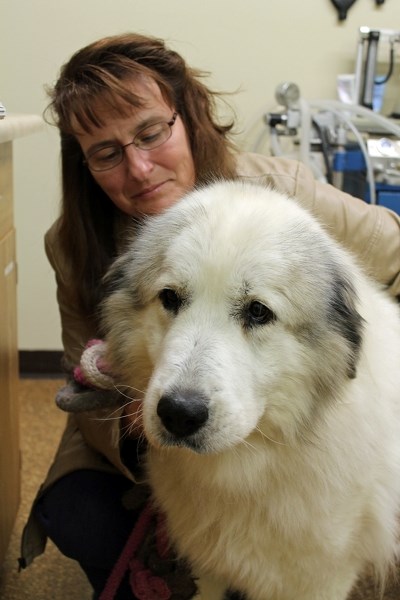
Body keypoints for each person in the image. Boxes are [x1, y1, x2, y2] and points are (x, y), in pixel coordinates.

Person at [20, 32, 400, 599]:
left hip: (296, 449)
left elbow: (393, 250)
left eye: (151, 133)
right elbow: (85, 368)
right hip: (136, 432)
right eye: (107, 152)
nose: (141, 168)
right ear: (85, 165)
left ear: (187, 117)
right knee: (86, 517)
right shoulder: (72, 242)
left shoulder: (283, 195)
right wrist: (131, 410)